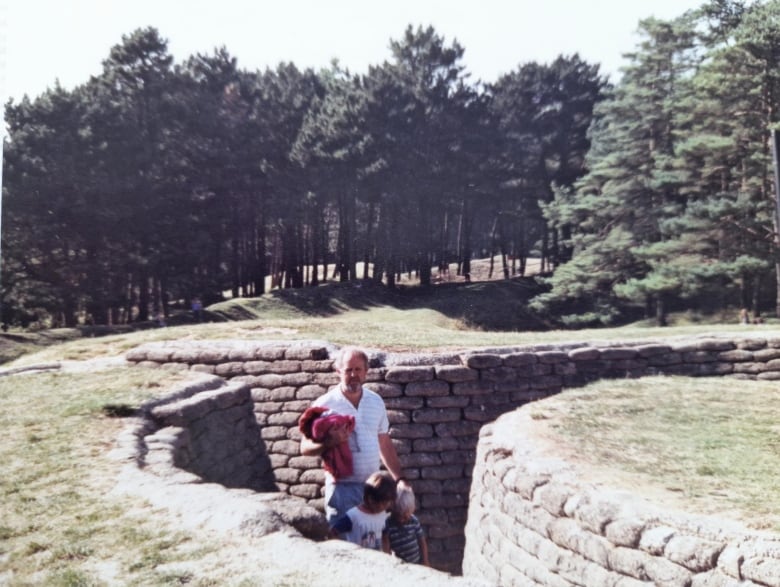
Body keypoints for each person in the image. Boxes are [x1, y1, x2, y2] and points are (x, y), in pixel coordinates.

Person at [300, 346, 408, 524]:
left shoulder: (376, 401)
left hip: (373, 490)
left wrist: (400, 479)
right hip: (341, 490)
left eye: (358, 369)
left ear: (366, 372)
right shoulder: (325, 404)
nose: (353, 375)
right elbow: (304, 448)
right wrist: (328, 442)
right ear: (338, 372)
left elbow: (384, 442)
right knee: (342, 543)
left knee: (373, 542)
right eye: (348, 370)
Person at [328, 471, 396, 550]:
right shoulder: (354, 516)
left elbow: (385, 536)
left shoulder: (383, 515)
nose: (387, 506)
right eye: (384, 503)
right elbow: (333, 532)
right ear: (371, 500)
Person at [383, 483, 429, 565]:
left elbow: (422, 541)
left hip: (416, 563)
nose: (401, 520)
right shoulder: (388, 523)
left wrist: (425, 560)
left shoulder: (414, 521)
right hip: (399, 565)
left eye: (405, 517)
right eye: (398, 515)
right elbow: (386, 545)